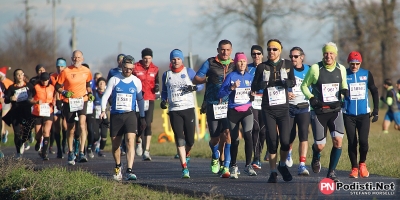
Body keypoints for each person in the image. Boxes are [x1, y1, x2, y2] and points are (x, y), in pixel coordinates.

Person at [300, 42, 348, 182]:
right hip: (319, 112)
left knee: (338, 141)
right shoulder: (315, 68)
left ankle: (331, 172)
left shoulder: (341, 69)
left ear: (335, 55)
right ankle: (316, 155)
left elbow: (344, 85)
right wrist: (311, 97)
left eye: (331, 53)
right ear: (323, 54)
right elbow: (304, 85)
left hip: (335, 110)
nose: (328, 56)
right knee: (320, 145)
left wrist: (344, 92)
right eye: (326, 53)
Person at [251, 39, 295, 183]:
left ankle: (282, 165)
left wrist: (286, 83)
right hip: (268, 109)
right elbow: (254, 86)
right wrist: (261, 85)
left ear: (280, 50)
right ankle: (273, 171)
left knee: (285, 141)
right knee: (272, 139)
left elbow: (293, 82)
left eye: (274, 49)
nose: (271, 52)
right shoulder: (262, 67)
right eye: (269, 49)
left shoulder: (287, 64)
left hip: (283, 109)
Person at [193, 39, 236, 178]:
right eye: (222, 49)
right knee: (215, 137)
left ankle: (226, 166)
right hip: (213, 103)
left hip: (228, 104)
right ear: (218, 50)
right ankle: (215, 155)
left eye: (228, 50)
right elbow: (196, 79)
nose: (225, 52)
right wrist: (207, 79)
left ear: (231, 51)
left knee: (228, 134)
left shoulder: (234, 65)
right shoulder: (210, 62)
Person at [99, 55, 147, 181]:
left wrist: (142, 117)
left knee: (130, 141)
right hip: (116, 115)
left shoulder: (136, 81)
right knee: (115, 144)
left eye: (130, 69)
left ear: (133, 68)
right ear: (122, 66)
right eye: (126, 68)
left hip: (130, 114)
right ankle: (118, 166)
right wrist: (103, 111)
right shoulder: (114, 79)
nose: (128, 71)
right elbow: (105, 96)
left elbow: (140, 100)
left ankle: (129, 170)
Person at [160, 49, 203, 178]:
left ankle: (187, 153)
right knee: (179, 138)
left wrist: (193, 87)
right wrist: (163, 101)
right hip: (174, 111)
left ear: (181, 60)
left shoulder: (189, 72)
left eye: (178, 59)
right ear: (170, 60)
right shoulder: (166, 75)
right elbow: (164, 91)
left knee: (190, 140)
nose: (176, 61)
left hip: (188, 108)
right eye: (173, 59)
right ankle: (184, 168)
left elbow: (200, 85)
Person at [218, 52, 256, 179]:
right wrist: (232, 88)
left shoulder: (250, 77)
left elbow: (255, 92)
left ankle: (248, 165)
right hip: (233, 111)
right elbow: (220, 93)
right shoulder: (231, 76)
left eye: (244, 61)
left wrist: (253, 94)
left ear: (246, 63)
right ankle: (233, 166)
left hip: (247, 110)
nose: (242, 63)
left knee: (248, 135)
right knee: (235, 139)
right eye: (240, 61)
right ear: (236, 63)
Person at [343, 51, 379, 179]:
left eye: (357, 64)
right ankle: (354, 168)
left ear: (360, 63)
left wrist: (376, 110)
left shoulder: (366, 74)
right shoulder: (344, 74)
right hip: (348, 114)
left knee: (363, 141)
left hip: (364, 114)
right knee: (352, 141)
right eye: (352, 64)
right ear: (349, 63)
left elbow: (374, 91)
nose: (355, 66)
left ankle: (362, 164)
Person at [55, 50, 94, 165]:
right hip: (69, 101)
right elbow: (57, 86)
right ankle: (71, 151)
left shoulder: (86, 71)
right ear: (72, 58)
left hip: (82, 100)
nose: (76, 59)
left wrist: (90, 94)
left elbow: (88, 85)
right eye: (74, 57)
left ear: (82, 58)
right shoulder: (66, 71)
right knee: (70, 128)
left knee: (82, 124)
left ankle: (82, 151)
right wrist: (64, 92)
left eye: (78, 57)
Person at [287, 47, 311, 175]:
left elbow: (315, 84)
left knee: (303, 135)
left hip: (303, 107)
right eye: (291, 56)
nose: (293, 59)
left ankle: (302, 164)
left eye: (295, 56)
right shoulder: (286, 69)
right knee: (289, 136)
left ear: (302, 57)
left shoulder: (309, 69)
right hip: (289, 107)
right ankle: (289, 152)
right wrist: (286, 92)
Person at [132, 48, 159, 161]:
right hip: (138, 100)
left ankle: (146, 151)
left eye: (149, 58)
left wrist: (157, 87)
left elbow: (157, 81)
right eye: (145, 58)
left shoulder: (155, 69)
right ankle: (138, 140)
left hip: (150, 99)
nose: (147, 60)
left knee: (148, 124)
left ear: (151, 58)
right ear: (142, 58)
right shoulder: (135, 67)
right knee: (139, 124)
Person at [3, 69, 36, 158]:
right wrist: (10, 98)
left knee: (27, 127)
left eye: (21, 74)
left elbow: (36, 94)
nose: (20, 76)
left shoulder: (29, 86)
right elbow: (6, 100)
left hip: (26, 111)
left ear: (23, 75)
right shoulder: (11, 88)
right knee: (17, 133)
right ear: (15, 77)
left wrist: (33, 100)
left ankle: (28, 135)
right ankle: (18, 152)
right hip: (16, 112)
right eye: (18, 75)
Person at [247, 45, 267, 169]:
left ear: (262, 55)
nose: (256, 56)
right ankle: (256, 157)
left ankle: (259, 153)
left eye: (258, 53)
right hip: (252, 101)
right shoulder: (248, 68)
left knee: (264, 130)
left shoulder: (267, 67)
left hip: (265, 101)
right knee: (255, 128)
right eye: (254, 54)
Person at [31, 72, 55, 160]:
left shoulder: (52, 87)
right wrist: (36, 102)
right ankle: (38, 142)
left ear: (49, 80)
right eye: (43, 80)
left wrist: (54, 101)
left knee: (46, 132)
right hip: (37, 113)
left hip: (49, 111)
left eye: (46, 80)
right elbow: (29, 99)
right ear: (40, 80)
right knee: (38, 134)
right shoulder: (36, 87)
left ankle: (44, 153)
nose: (45, 82)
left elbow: (55, 96)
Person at [50, 58, 68, 158]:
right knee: (57, 126)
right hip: (56, 102)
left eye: (62, 66)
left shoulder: (68, 74)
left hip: (65, 101)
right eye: (58, 66)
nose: (60, 68)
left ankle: (64, 145)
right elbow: (56, 88)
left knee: (65, 125)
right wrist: (57, 100)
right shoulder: (53, 76)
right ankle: (59, 149)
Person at [93, 77, 109, 157]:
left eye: (103, 83)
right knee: (95, 136)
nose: (101, 84)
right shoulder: (94, 93)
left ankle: (101, 150)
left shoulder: (107, 93)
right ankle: (93, 145)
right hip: (96, 117)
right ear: (97, 85)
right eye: (100, 83)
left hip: (104, 118)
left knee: (104, 136)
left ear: (105, 84)